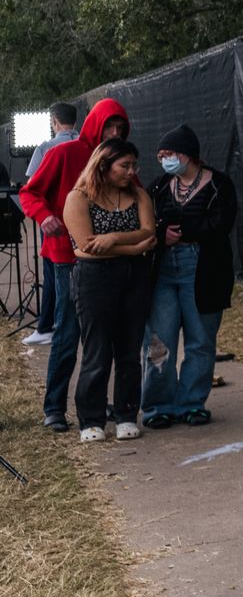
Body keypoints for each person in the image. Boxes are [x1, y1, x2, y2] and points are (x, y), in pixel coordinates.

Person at [18, 99, 129, 432]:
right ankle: (54, 407)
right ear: (95, 124)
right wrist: (45, 215)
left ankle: (95, 403)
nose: (114, 133)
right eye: (109, 126)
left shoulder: (117, 162)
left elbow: (134, 195)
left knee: (101, 335)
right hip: (67, 258)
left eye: (120, 128)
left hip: (106, 258)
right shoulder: (64, 154)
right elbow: (29, 192)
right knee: (67, 332)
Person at [143, 125, 237, 428]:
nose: (164, 160)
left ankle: (191, 403)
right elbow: (145, 220)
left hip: (204, 268)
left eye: (168, 154)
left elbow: (222, 223)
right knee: (159, 341)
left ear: (186, 154)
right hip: (164, 270)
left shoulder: (219, 185)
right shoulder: (158, 186)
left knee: (200, 340)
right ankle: (158, 406)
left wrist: (184, 232)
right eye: (160, 156)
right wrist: (161, 235)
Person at [63, 137, 155, 443]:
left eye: (134, 165)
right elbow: (86, 249)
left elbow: (149, 234)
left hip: (135, 279)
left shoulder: (138, 195)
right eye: (124, 165)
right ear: (103, 166)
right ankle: (91, 419)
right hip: (94, 279)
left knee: (129, 350)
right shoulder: (79, 198)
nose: (131, 171)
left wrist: (113, 238)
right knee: (97, 350)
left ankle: (127, 414)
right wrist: (133, 248)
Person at [20, 102, 79, 347]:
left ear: (54, 120)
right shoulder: (89, 146)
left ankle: (48, 326)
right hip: (87, 223)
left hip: (56, 223)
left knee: (53, 274)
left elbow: (32, 185)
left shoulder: (46, 148)